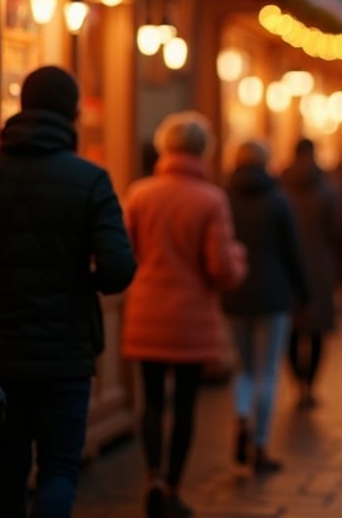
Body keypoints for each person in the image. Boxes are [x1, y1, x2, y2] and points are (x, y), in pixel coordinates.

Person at [0, 65, 136, 516]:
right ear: (73, 113)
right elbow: (118, 267)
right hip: (66, 349)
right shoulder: (89, 179)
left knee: (6, 469)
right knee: (59, 468)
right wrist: (80, 282)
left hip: (0, 349)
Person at [121, 111, 247, 518]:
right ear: (202, 150)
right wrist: (238, 259)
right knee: (187, 406)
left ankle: (152, 476)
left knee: (153, 402)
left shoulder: (139, 194)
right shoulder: (211, 199)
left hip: (146, 312)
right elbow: (221, 270)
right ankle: (173, 486)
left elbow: (125, 255)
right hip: (192, 318)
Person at [224, 140, 309, 475]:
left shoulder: (225, 197)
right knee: (268, 371)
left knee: (243, 368)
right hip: (274, 296)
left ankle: (242, 413)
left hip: (234, 294)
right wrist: (304, 295)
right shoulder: (277, 200)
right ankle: (259, 445)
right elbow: (293, 251)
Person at [281, 138, 342, 409]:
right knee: (316, 331)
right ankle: (310, 385)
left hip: (286, 269)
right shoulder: (327, 190)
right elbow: (338, 231)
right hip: (320, 267)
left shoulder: (281, 189)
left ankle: (297, 381)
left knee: (291, 330)